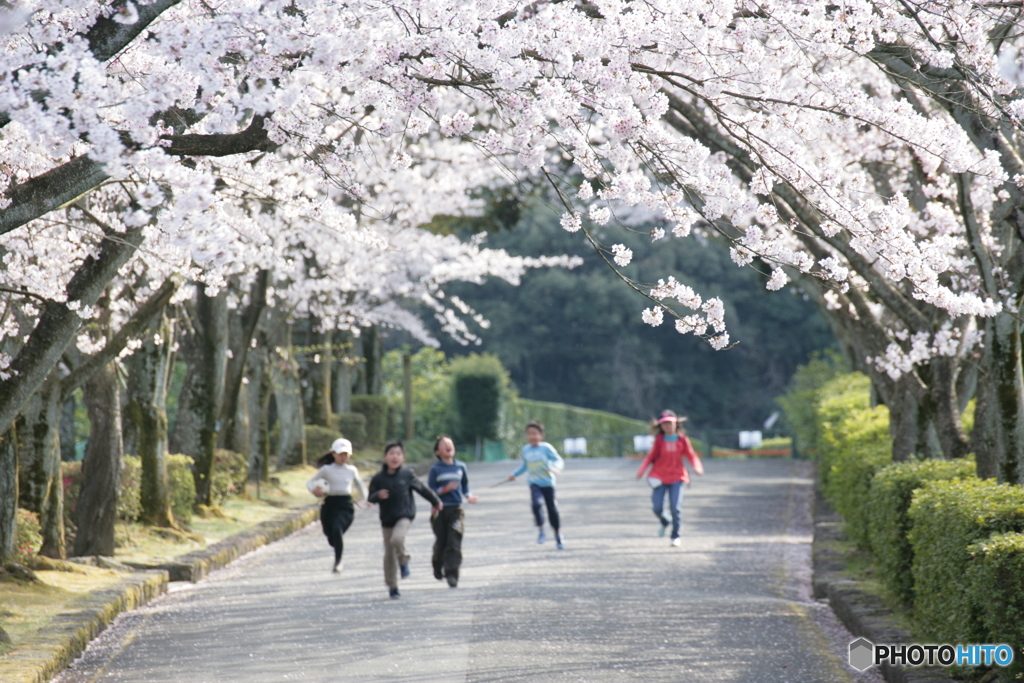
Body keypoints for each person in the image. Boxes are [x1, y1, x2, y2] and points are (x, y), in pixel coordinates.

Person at [367, 440, 442, 599]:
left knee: (397, 539)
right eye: (392, 454)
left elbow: (422, 489)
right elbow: (370, 497)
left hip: (404, 516)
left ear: (403, 458)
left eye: (398, 454)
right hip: (387, 520)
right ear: (385, 457)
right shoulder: (378, 478)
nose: (395, 457)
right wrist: (377, 495)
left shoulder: (407, 475)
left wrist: (436, 501)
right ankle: (392, 586)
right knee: (389, 554)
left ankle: (404, 560)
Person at [635, 410, 704, 547]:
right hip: (659, 477)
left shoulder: (682, 440)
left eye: (670, 423)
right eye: (664, 424)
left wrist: (697, 467)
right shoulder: (659, 441)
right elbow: (650, 457)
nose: (667, 426)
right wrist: (641, 471)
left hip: (677, 477)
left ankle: (675, 535)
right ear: (660, 426)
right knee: (657, 507)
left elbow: (691, 455)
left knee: (675, 507)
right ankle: (665, 521)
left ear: (675, 424)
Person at [308, 438, 368, 573]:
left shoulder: (351, 470)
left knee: (337, 528)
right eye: (340, 454)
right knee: (331, 535)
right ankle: (335, 543)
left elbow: (360, 485)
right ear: (333, 453)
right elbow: (310, 482)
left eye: (346, 454)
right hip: (329, 504)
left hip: (345, 505)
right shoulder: (326, 470)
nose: (343, 457)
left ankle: (338, 561)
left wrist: (366, 499)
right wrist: (314, 491)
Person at [427, 435, 477, 587]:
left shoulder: (460, 467)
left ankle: (452, 574)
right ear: (437, 452)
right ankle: (437, 563)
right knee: (441, 541)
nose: (448, 446)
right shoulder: (435, 469)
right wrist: (445, 489)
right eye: (444, 444)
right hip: (439, 509)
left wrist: (469, 496)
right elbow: (430, 491)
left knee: (454, 541)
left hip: (456, 509)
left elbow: (465, 486)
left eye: (450, 443)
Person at [506, 420, 565, 548]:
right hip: (534, 483)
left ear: (541, 436)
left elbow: (558, 460)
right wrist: (514, 474)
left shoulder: (546, 448)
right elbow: (525, 466)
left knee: (552, 509)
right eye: (529, 434)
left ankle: (558, 535)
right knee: (536, 504)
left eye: (535, 433)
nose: (532, 436)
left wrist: (554, 468)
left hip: (548, 483)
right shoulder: (526, 450)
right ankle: (541, 530)